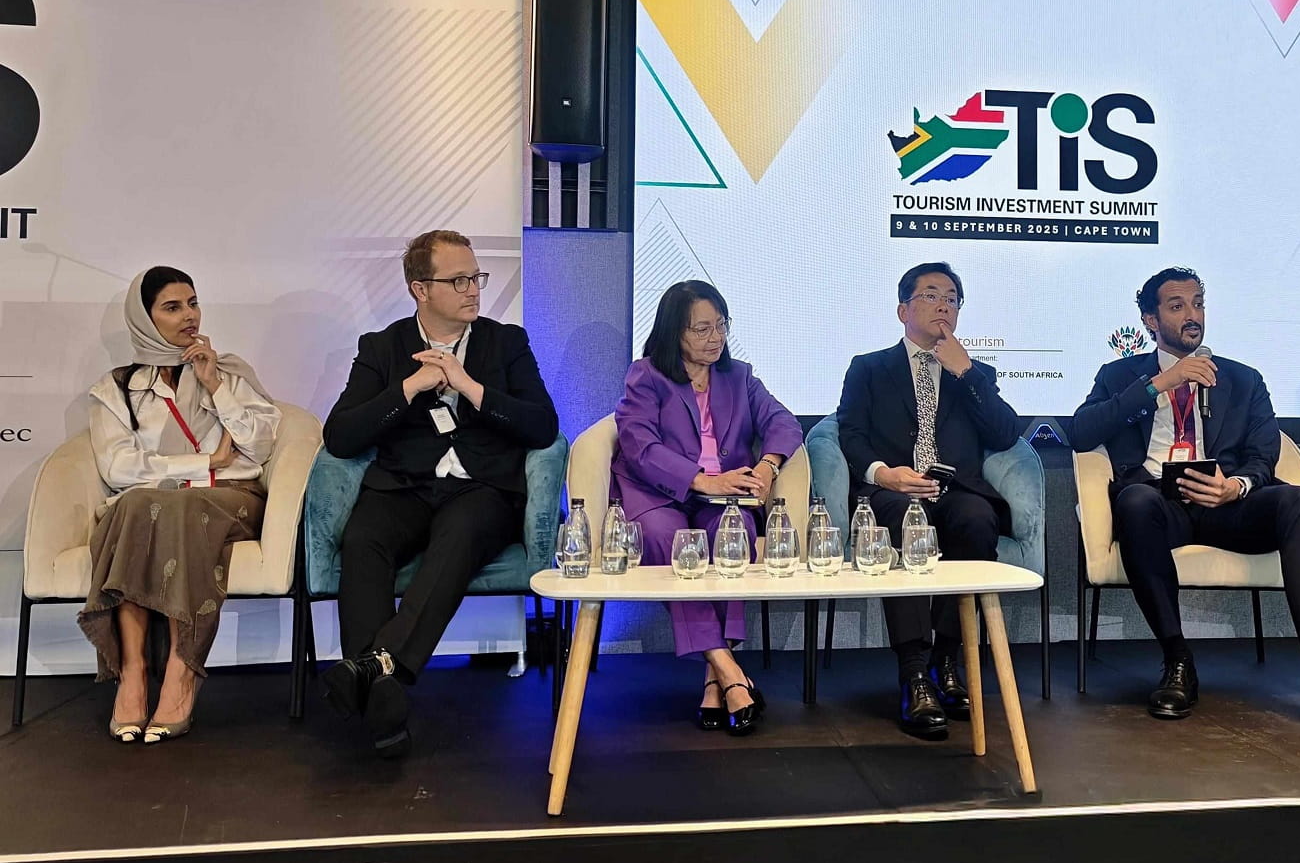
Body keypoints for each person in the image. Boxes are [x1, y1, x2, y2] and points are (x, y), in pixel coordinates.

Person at [1070, 267, 1300, 753]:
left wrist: (1236, 486)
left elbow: (1265, 454)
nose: (1192, 315)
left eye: (1198, 303)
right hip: (1159, 505)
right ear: (1151, 321)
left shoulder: (1243, 379)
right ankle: (1178, 661)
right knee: (1135, 502)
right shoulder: (1119, 376)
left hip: (1228, 505)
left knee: (1297, 501)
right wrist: (1160, 384)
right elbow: (1080, 432)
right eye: (1177, 306)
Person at [320, 230, 559, 757]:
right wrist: (409, 388)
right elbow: (340, 436)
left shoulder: (507, 343)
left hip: (481, 490)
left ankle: (372, 668)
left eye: (476, 277)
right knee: (364, 538)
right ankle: (381, 690)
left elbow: (543, 426)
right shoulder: (382, 347)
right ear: (420, 290)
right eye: (459, 280)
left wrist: (470, 387)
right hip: (403, 487)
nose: (474, 289)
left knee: (462, 531)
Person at [78, 267, 281, 743]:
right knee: (137, 506)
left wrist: (215, 387)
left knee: (175, 508)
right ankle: (132, 670)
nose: (189, 316)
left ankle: (181, 669)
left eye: (193, 303)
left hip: (230, 500)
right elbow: (117, 467)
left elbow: (260, 446)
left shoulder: (228, 372)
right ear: (144, 318)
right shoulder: (118, 387)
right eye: (172, 307)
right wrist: (205, 461)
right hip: (160, 503)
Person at [837, 262, 1022, 740]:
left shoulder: (973, 374)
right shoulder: (869, 368)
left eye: (953, 299)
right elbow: (850, 434)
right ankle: (914, 672)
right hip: (893, 492)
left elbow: (1006, 433)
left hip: (954, 491)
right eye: (932, 295)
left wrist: (966, 372)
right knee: (903, 518)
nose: (944, 306)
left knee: (977, 517)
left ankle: (947, 660)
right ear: (903, 310)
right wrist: (885, 474)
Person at [612, 281, 801, 737]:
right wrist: (700, 479)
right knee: (672, 539)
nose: (715, 338)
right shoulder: (646, 376)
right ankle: (727, 668)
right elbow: (639, 445)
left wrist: (768, 465)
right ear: (674, 332)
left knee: (732, 535)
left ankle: (714, 683)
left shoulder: (739, 377)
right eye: (702, 329)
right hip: (658, 491)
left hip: (724, 494)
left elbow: (783, 421)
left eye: (721, 326)